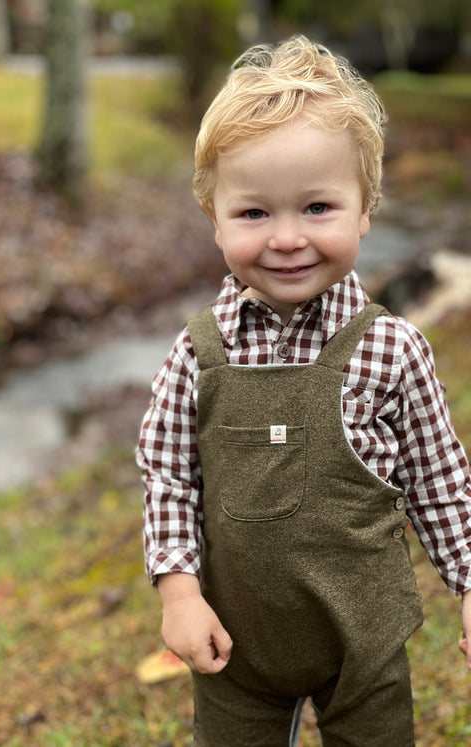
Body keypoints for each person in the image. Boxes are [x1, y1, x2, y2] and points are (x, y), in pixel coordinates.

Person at [136, 35, 471, 745]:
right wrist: (179, 591)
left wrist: (469, 585)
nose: (287, 238)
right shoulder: (199, 353)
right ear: (215, 219)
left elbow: (440, 485)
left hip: (365, 640)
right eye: (255, 213)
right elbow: (168, 476)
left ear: (365, 208)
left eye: (318, 207)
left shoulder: (392, 349)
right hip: (237, 643)